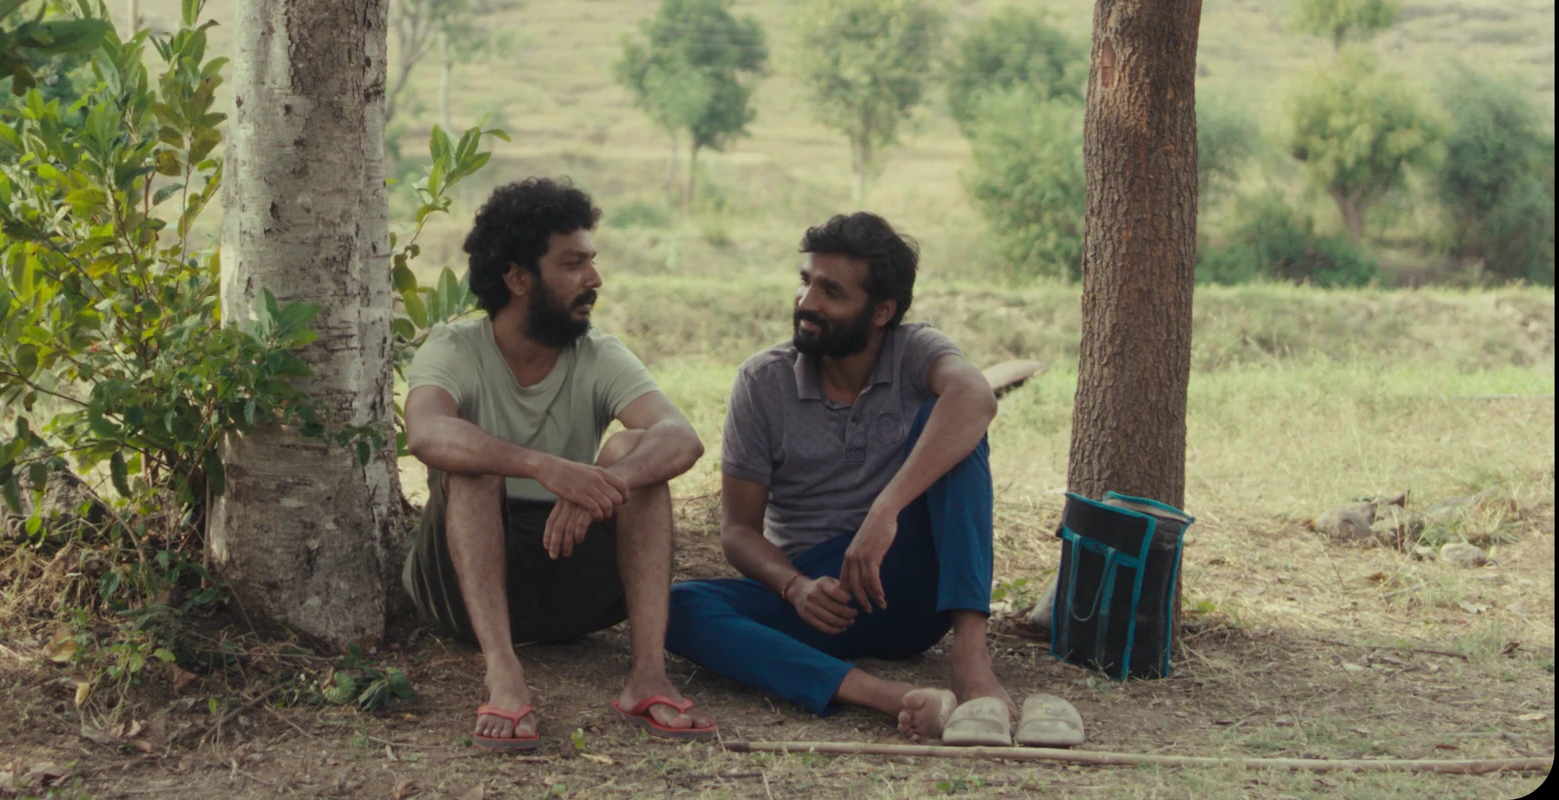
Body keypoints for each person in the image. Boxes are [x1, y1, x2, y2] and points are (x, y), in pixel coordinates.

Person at [665, 212, 1084, 747]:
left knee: (955, 425)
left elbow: (976, 396)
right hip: (820, 599)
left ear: (882, 311)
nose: (807, 302)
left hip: (910, 584)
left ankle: (971, 661)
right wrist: (795, 586)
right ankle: (886, 696)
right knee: (678, 607)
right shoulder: (763, 381)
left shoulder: (915, 351)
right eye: (806, 282)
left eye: (831, 291)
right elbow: (738, 531)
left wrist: (884, 512)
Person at [401, 178, 719, 752]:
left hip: (571, 580)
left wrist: (601, 484)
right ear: (518, 278)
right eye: (573, 264)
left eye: (591, 262)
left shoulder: (599, 354)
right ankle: (503, 673)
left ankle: (647, 676)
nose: (594, 279)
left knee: (638, 452)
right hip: (461, 592)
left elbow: (682, 438)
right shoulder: (454, 348)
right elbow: (425, 431)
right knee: (474, 462)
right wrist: (541, 466)